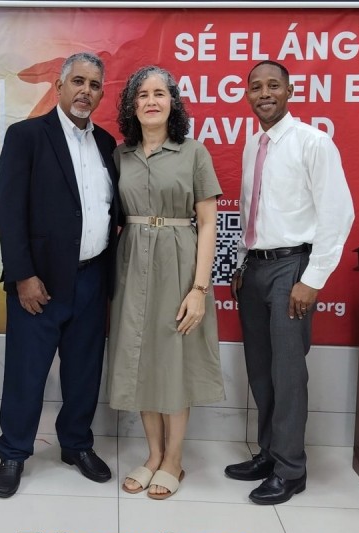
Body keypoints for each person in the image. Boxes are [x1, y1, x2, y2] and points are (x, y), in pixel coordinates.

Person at [224, 60, 354, 505]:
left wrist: (312, 279)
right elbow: (251, 212)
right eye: (256, 87)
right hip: (255, 269)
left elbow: (338, 214)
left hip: (292, 268)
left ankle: (290, 469)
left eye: (273, 86)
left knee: (288, 373)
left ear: (290, 91)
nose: (264, 94)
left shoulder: (313, 142)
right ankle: (268, 454)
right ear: (247, 95)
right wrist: (240, 264)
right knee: (261, 371)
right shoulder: (252, 145)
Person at [0, 52, 119, 497]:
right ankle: (13, 452)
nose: (86, 91)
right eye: (78, 81)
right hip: (39, 283)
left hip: (92, 278)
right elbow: (10, 210)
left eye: (94, 85)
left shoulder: (106, 144)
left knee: (84, 372)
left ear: (101, 94)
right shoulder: (27, 136)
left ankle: (76, 445)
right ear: (60, 86)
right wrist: (23, 275)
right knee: (26, 372)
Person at [107, 66, 224, 500]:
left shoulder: (193, 152)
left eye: (160, 93)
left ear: (172, 103)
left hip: (178, 260)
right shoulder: (120, 155)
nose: (151, 101)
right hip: (132, 260)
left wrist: (199, 288)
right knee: (139, 355)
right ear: (132, 105)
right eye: (142, 94)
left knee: (174, 359)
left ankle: (174, 458)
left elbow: (208, 222)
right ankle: (153, 453)